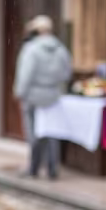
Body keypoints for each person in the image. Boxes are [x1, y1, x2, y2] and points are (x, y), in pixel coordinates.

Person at [13, 15, 72, 180]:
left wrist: (20, 92)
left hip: (33, 96)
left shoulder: (31, 49)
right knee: (52, 132)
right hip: (53, 96)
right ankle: (53, 168)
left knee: (34, 132)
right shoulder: (61, 49)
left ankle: (34, 167)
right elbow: (66, 73)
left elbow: (25, 74)